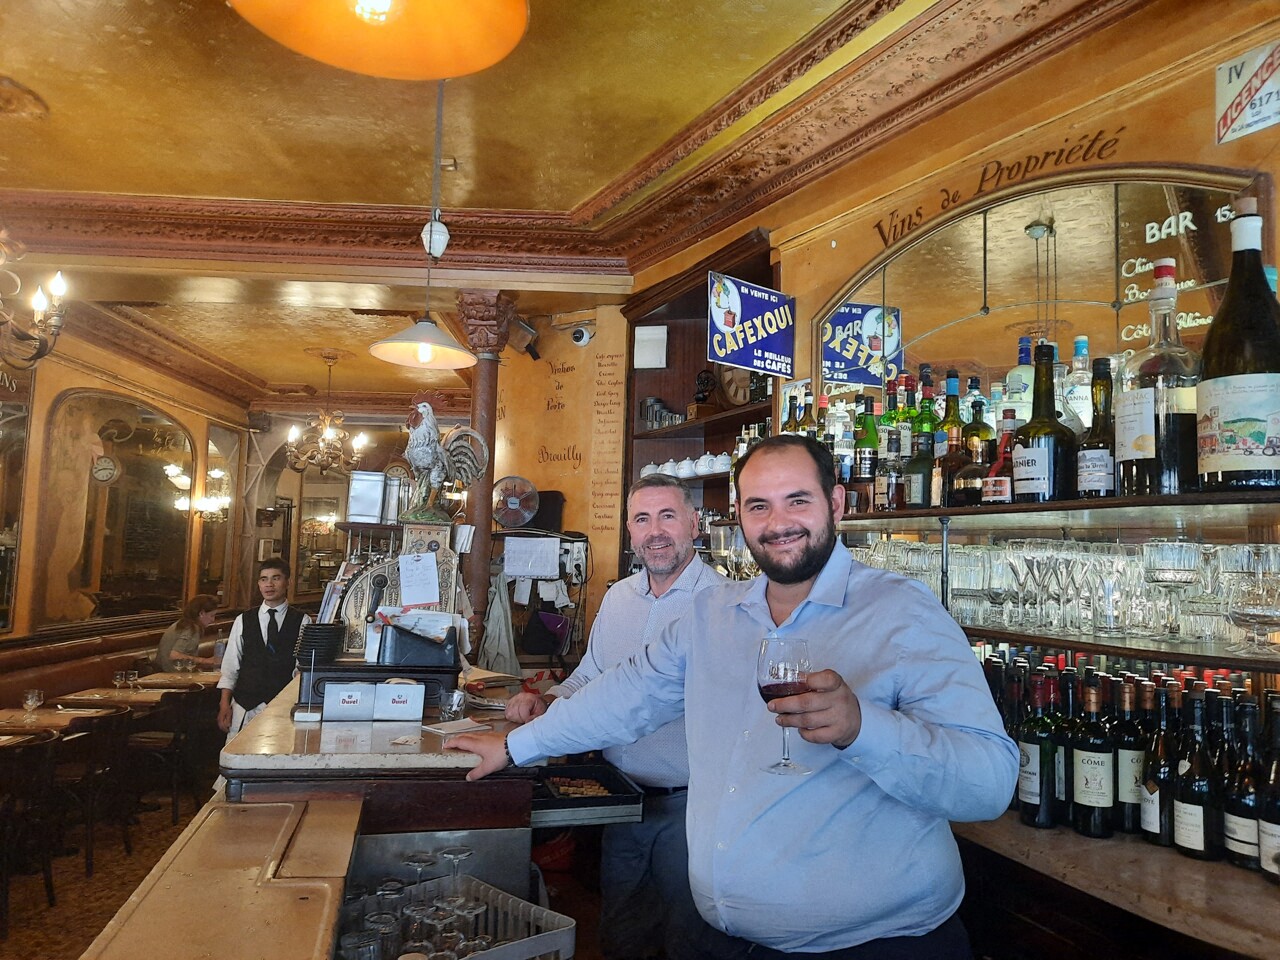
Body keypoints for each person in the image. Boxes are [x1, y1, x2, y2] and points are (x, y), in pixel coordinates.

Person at [449, 435, 1018, 959]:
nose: (778, 523)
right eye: (758, 506)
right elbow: (623, 695)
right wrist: (516, 746)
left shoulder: (903, 612)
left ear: (837, 504)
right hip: (719, 937)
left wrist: (861, 728)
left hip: (872, 945)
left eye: (798, 500)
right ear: (737, 517)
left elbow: (989, 781)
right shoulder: (713, 614)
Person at [505, 473, 726, 960]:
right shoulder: (619, 597)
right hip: (618, 800)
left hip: (691, 808)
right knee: (623, 932)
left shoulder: (722, 603)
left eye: (668, 516)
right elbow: (593, 674)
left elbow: (647, 702)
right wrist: (552, 699)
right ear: (629, 531)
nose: (656, 531)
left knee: (690, 939)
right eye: (642, 519)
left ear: (694, 522)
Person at [217, 558, 310, 737]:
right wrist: (223, 705)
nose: (269, 584)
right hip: (244, 706)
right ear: (259, 584)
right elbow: (230, 668)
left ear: (288, 582)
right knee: (238, 759)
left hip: (282, 707)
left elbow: (300, 670)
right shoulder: (243, 620)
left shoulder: (302, 621)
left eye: (276, 578)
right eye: (263, 579)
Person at [154, 594, 221, 671]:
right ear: (201, 613)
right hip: (172, 677)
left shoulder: (183, 624)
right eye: (212, 615)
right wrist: (205, 661)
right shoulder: (192, 629)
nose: (213, 620)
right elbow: (175, 656)